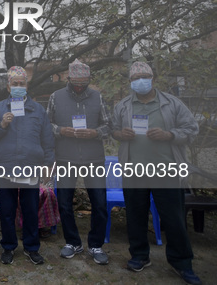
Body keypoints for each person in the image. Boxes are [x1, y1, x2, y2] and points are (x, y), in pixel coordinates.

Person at [112, 61, 201, 285]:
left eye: (144, 76)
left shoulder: (172, 103)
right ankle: (140, 256)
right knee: (135, 216)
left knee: (174, 218)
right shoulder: (123, 105)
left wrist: (169, 135)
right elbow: (112, 129)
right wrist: (121, 134)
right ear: (131, 81)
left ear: (152, 78)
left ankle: (182, 263)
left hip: (166, 170)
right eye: (135, 78)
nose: (140, 80)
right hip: (134, 170)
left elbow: (192, 129)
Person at [0, 66, 55, 266]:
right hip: (6, 168)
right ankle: (8, 247)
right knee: (7, 211)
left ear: (26, 86)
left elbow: (47, 140)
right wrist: (2, 125)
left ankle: (32, 248)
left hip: (30, 166)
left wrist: (48, 164)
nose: (17, 87)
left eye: (21, 84)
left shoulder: (38, 110)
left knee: (31, 210)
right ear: (8, 87)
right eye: (14, 84)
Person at [46, 59, 111, 265]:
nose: (80, 85)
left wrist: (95, 132)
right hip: (65, 157)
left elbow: (109, 125)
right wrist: (61, 130)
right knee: (64, 204)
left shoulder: (97, 97)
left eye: (84, 82)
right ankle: (73, 242)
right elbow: (46, 125)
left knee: (100, 203)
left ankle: (96, 244)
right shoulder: (56, 97)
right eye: (76, 81)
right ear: (69, 78)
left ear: (89, 79)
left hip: (94, 158)